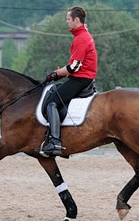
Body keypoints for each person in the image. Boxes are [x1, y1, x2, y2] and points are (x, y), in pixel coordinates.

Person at [40, 6, 98, 156]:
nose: (66, 22)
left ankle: (55, 142)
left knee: (51, 102)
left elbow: (74, 66)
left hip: (80, 79)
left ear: (76, 20)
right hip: (82, 77)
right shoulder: (82, 36)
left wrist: (56, 74)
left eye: (68, 19)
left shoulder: (82, 38)